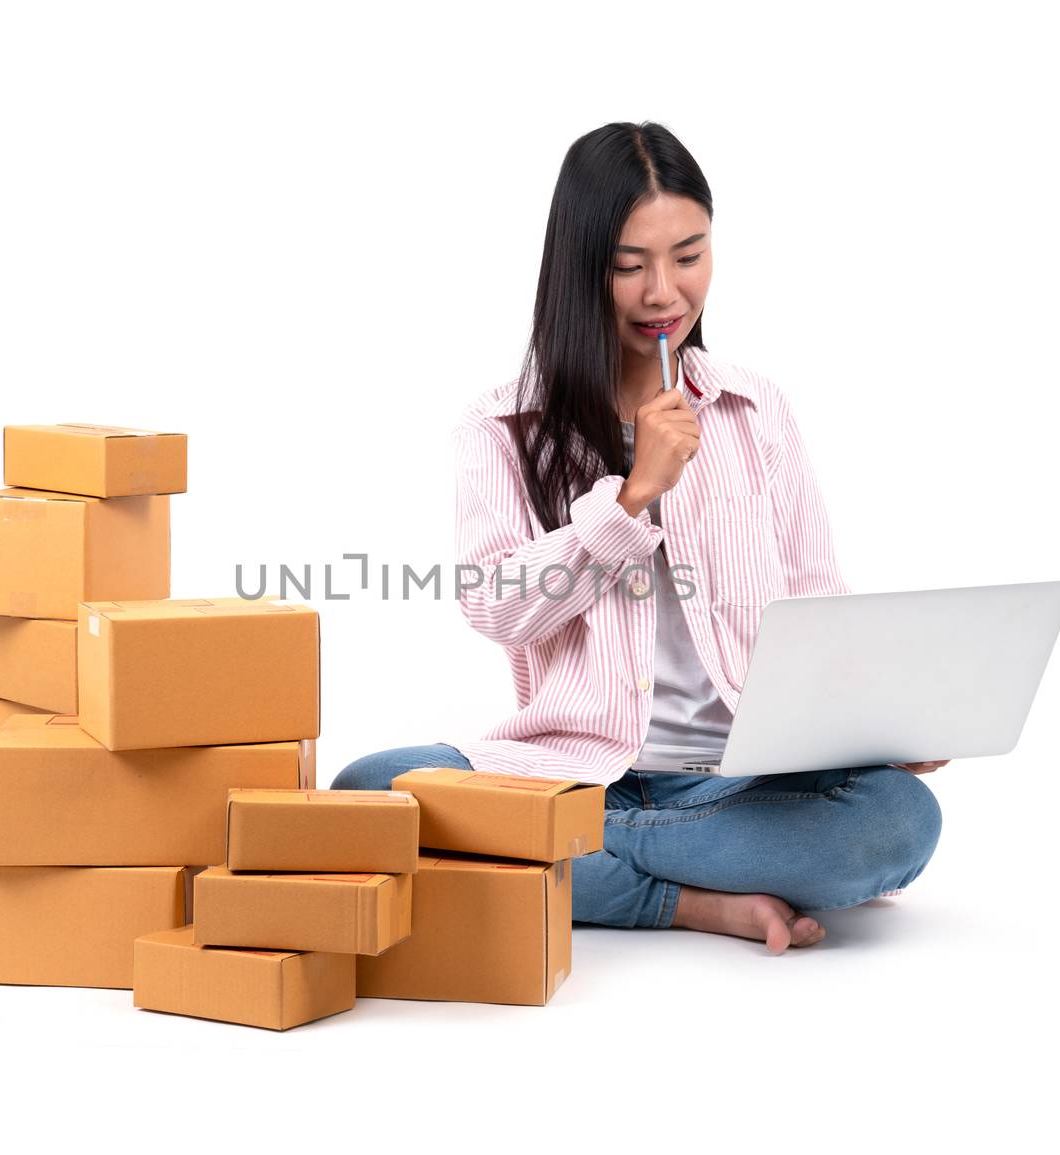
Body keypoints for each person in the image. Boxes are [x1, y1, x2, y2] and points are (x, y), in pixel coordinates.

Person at [331, 121, 944, 954]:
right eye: (630, 265)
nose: (665, 292)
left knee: (898, 822)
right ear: (581, 267)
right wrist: (631, 497)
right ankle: (694, 900)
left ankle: (554, 853)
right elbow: (495, 606)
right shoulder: (501, 425)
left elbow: (818, 602)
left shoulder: (755, 409)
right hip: (576, 771)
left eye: (689, 256)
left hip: (743, 779)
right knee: (367, 793)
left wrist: (878, 724)